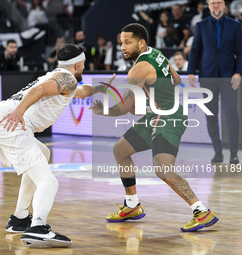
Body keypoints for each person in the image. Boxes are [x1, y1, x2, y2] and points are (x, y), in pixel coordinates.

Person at [92, 23, 219, 232]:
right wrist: (150, 101)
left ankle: (201, 211)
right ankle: (132, 205)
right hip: (158, 113)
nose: (122, 47)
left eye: (127, 42)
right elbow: (176, 80)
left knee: (163, 170)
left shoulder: (138, 69)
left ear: (141, 43)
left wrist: (102, 110)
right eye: (121, 42)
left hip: (167, 117)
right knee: (121, 150)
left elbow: (122, 109)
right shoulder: (157, 54)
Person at [0, 44, 109, 248]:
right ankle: (38, 228)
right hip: (10, 121)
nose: (84, 68)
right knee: (49, 182)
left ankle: (19, 219)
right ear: (77, 65)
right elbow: (39, 90)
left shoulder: (62, 79)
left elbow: (83, 90)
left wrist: (101, 87)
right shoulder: (66, 79)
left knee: (43, 152)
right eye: (84, 64)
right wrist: (20, 112)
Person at [187, 0, 242, 164]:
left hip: (228, 77)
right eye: (213, 3)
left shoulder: (234, 25)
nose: (216, 6)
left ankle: (233, 153)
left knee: (232, 113)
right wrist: (190, 72)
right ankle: (218, 152)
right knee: (210, 116)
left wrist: (238, 72)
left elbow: (240, 51)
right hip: (208, 76)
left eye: (219, 3)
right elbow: (195, 49)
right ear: (208, 6)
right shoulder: (201, 25)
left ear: (224, 5)